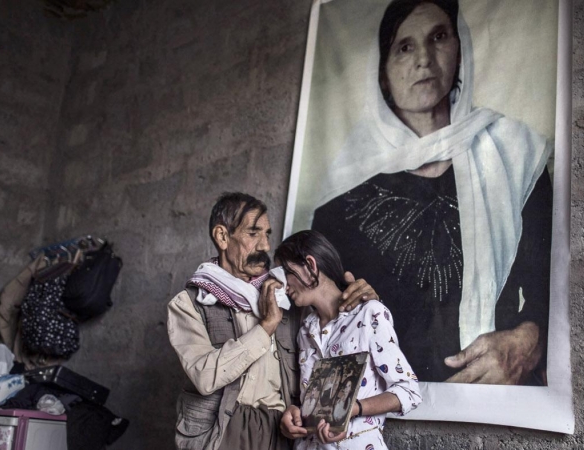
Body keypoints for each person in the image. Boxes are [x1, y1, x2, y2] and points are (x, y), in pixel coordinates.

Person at [312, 0, 553, 384]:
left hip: (498, 407)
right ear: (382, 73)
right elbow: (325, 329)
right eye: (404, 47)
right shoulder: (340, 200)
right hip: (383, 416)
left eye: (438, 36)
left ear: (460, 49)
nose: (423, 59)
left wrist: (528, 341)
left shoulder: (514, 156)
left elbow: (549, 286)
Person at [167, 193, 378, 450]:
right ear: (222, 236)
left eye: (267, 234)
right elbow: (204, 377)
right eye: (253, 233)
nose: (265, 246)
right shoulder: (188, 304)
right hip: (220, 433)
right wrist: (266, 326)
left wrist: (364, 296)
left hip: (281, 433)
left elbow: (334, 318)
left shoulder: (287, 294)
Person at [278, 230, 421, 449]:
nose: (284, 286)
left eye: (286, 272)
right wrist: (295, 414)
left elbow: (409, 391)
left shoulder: (370, 314)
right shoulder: (305, 331)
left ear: (310, 266)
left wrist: (354, 408)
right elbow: (313, 404)